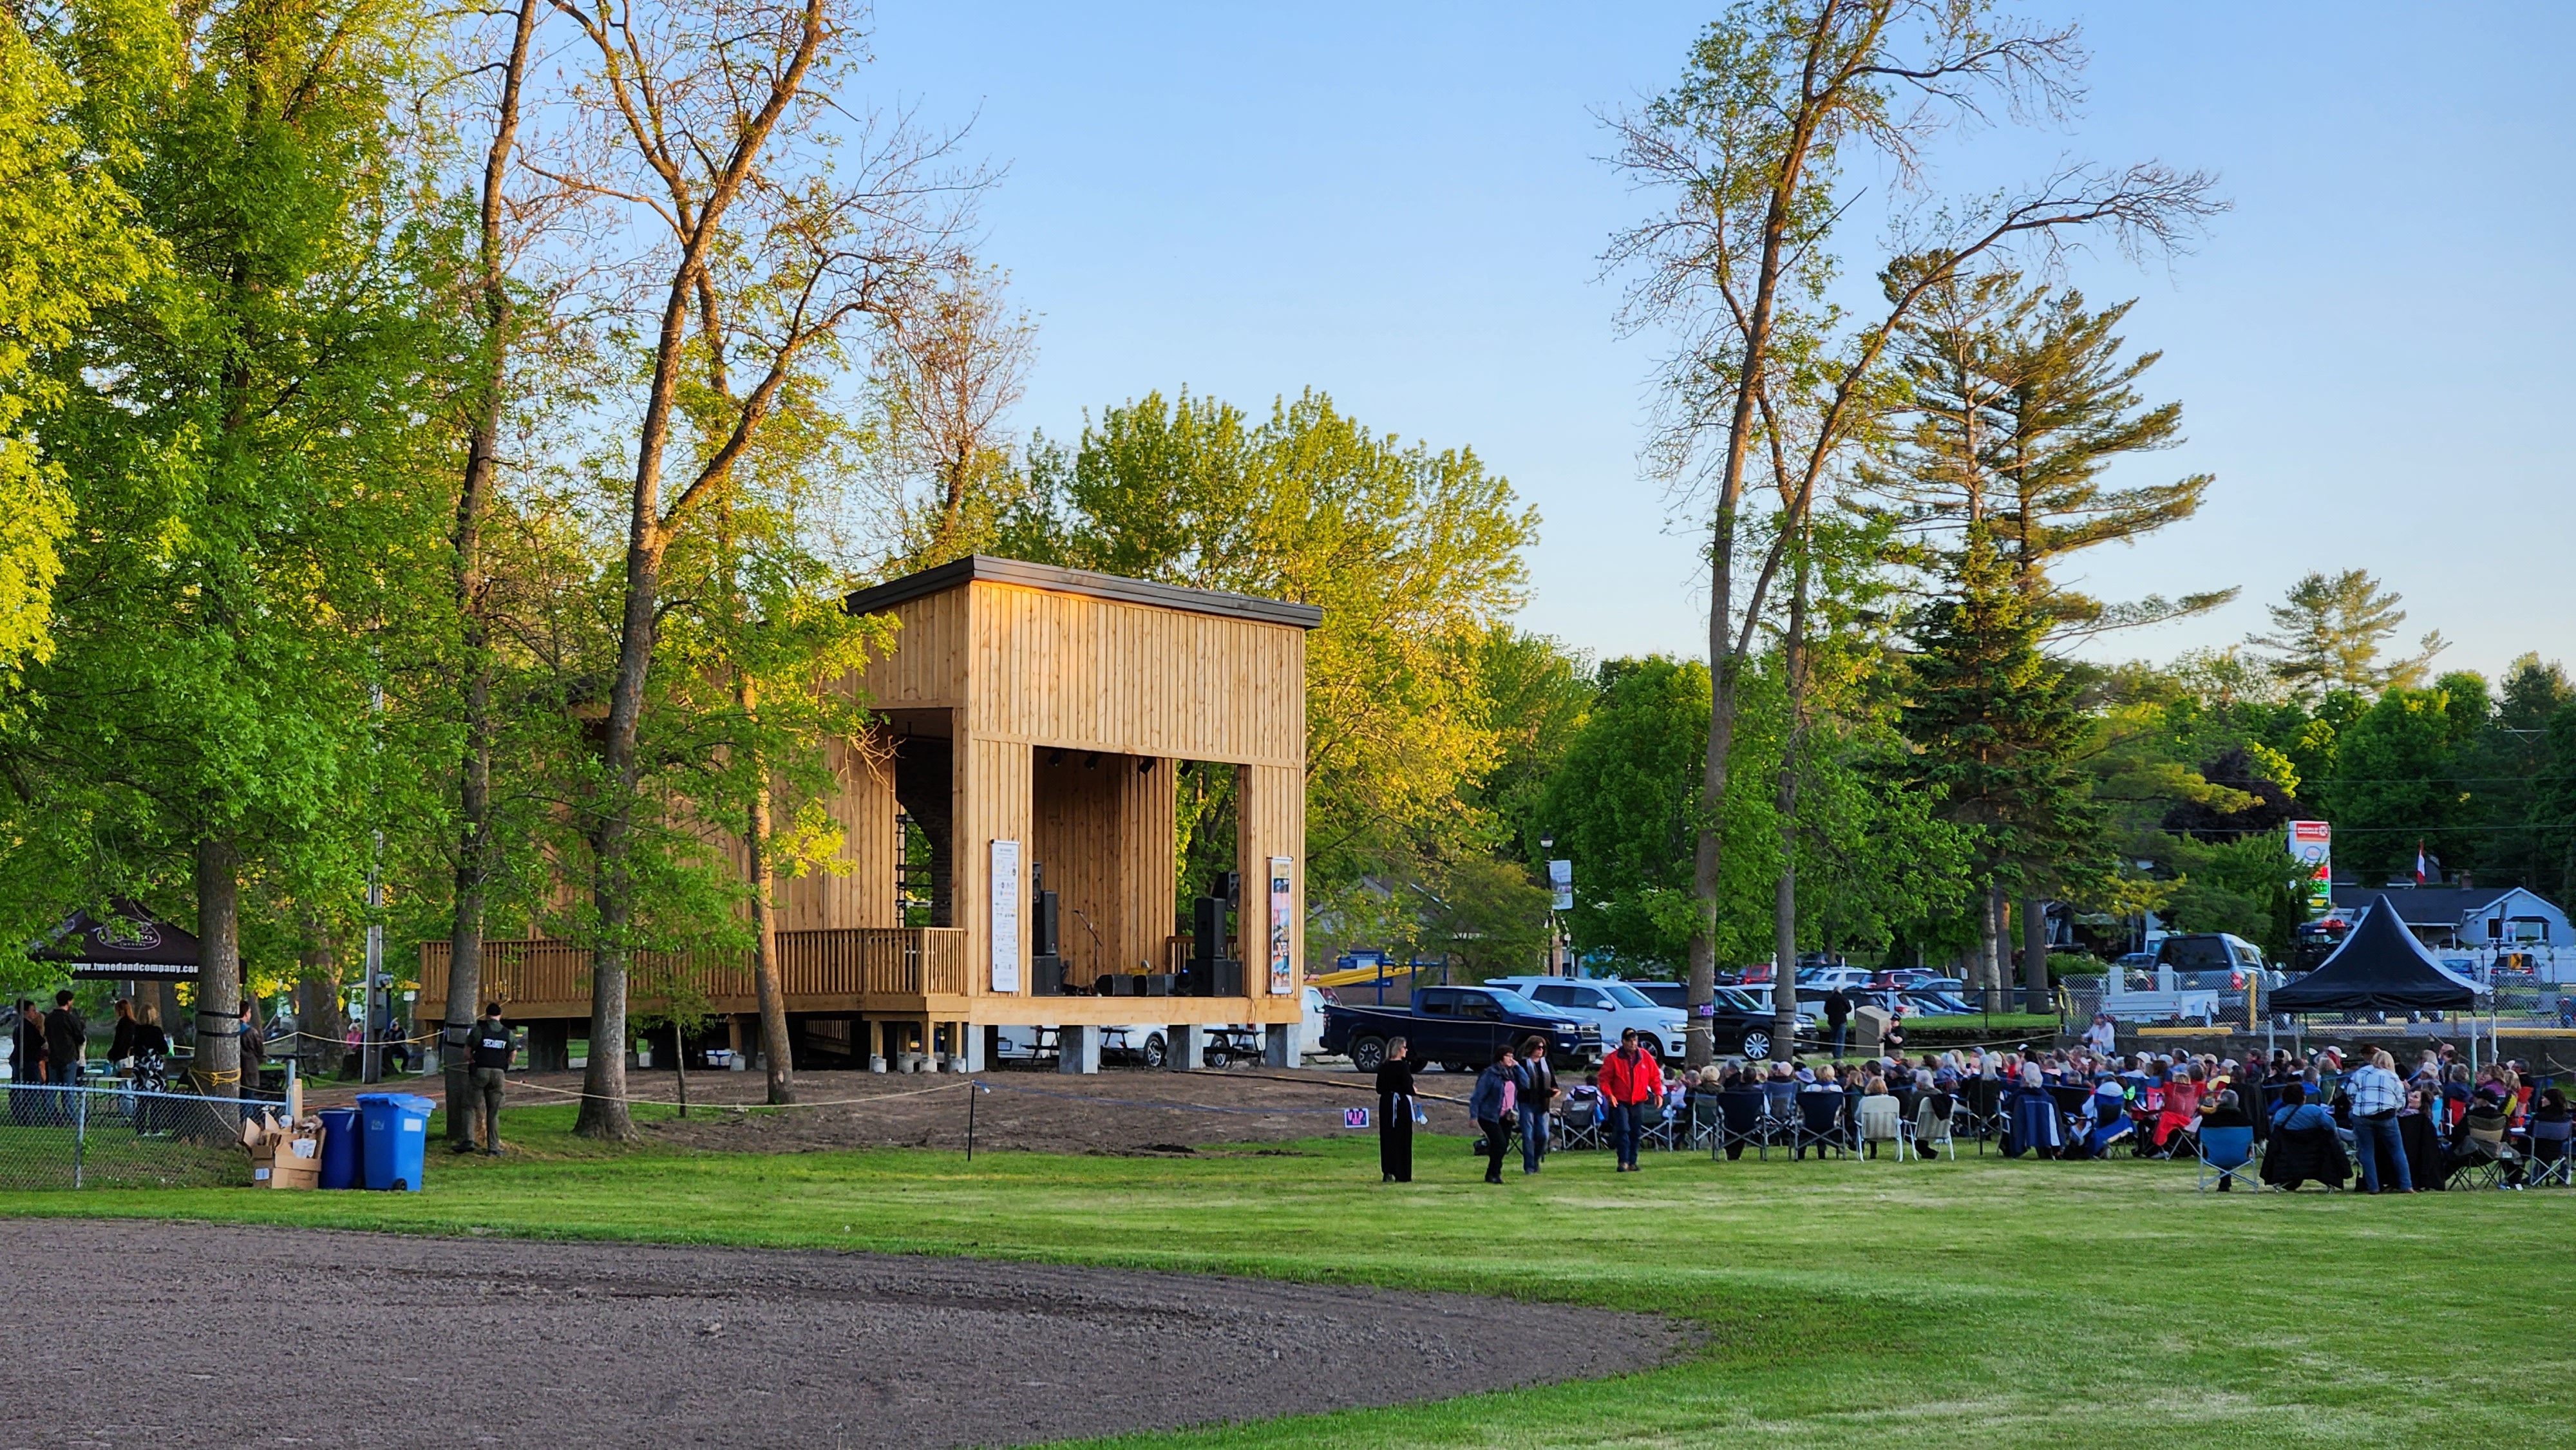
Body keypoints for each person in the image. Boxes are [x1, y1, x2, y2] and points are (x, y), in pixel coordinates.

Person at [2345, 1048, 2410, 1194]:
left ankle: (2373, 1187)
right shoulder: (2393, 1076)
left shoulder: (2361, 1073)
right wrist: (2395, 1110)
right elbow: (2401, 1100)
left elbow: (2350, 1093)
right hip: (2386, 1115)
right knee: (2397, 1150)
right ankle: (2406, 1184)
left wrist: (2359, 1104)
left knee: (2367, 1151)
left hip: (2362, 1115)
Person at [1597, 1029, 1663, 1172]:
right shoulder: (1613, 1059)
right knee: (1623, 1129)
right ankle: (1623, 1161)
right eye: (1630, 1041)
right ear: (1623, 1042)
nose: (1633, 1043)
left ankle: (1632, 1162)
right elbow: (1604, 1080)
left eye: (1635, 1040)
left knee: (1635, 1131)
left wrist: (1658, 1093)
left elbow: (1654, 1076)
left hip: (1638, 1100)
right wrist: (1609, 1095)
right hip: (1619, 1100)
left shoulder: (1645, 1056)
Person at [1468, 1046, 1519, 1185]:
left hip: (1507, 1116)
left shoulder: (1511, 1074)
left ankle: (1496, 1172)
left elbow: (1525, 1084)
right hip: (1489, 1115)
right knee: (1499, 1143)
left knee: (1504, 1145)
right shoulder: (1490, 1074)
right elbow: (1477, 1097)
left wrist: (1518, 1067)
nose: (1511, 1059)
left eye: (1512, 1056)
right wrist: (1473, 1116)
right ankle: (1492, 1173)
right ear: (1500, 1058)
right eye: (1508, 1056)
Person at [468, 1002, 513, 1155]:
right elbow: (512, 1056)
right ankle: (493, 1147)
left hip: (480, 1072)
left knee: (471, 1105)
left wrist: (472, 1061)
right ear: (500, 1015)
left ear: (486, 1015)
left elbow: (467, 1052)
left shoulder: (479, 1031)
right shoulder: (507, 1033)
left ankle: (469, 1140)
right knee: (493, 1112)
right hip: (498, 1074)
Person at [1374, 1036, 1418, 1183]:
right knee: (1402, 1137)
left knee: (1387, 1136)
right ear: (1399, 1049)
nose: (1406, 1050)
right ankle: (1402, 1172)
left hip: (1386, 1104)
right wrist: (1412, 1090)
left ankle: (1388, 1170)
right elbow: (1407, 1086)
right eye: (1404, 1047)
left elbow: (1379, 1088)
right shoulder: (1403, 1067)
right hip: (1400, 1104)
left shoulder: (1384, 1067)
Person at [1513, 1035, 1557, 1175]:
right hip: (1526, 1103)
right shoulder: (1522, 1064)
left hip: (1543, 1104)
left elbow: (1553, 1083)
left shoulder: (1546, 1064)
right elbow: (1520, 1084)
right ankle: (1529, 1166)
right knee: (1528, 1135)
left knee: (1543, 1135)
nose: (1541, 1050)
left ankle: (1536, 1160)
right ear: (1531, 1048)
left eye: (1543, 1048)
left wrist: (1555, 1091)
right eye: (1539, 1047)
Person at [45, 990, 86, 1090]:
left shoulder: (49, 1018)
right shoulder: (71, 1019)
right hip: (69, 1057)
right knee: (69, 1089)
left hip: (53, 1057)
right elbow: (80, 1038)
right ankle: (68, 1102)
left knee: (52, 1088)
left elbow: (46, 1035)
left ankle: (49, 1101)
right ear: (68, 1002)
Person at [1823, 987, 1853, 1060]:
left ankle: (1834, 1053)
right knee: (1841, 1038)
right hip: (1842, 1020)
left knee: (1834, 1038)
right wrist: (1843, 1012)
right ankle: (1839, 1055)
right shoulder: (1843, 999)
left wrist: (1831, 1014)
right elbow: (1849, 1008)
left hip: (1832, 1020)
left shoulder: (1829, 999)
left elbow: (1826, 1010)